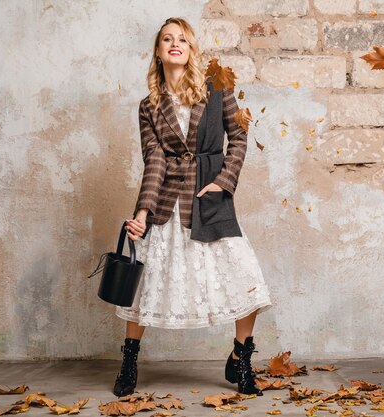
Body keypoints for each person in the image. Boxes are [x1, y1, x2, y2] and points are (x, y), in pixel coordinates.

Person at [114, 17, 273, 397]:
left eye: (181, 39)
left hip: (211, 198)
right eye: (167, 39)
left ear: (190, 49)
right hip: (167, 201)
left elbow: (238, 136)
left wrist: (222, 181)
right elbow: (154, 160)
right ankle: (129, 360)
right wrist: (141, 215)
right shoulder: (148, 106)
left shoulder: (218, 86)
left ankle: (241, 357)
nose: (174, 44)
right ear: (158, 51)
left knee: (244, 276)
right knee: (145, 285)